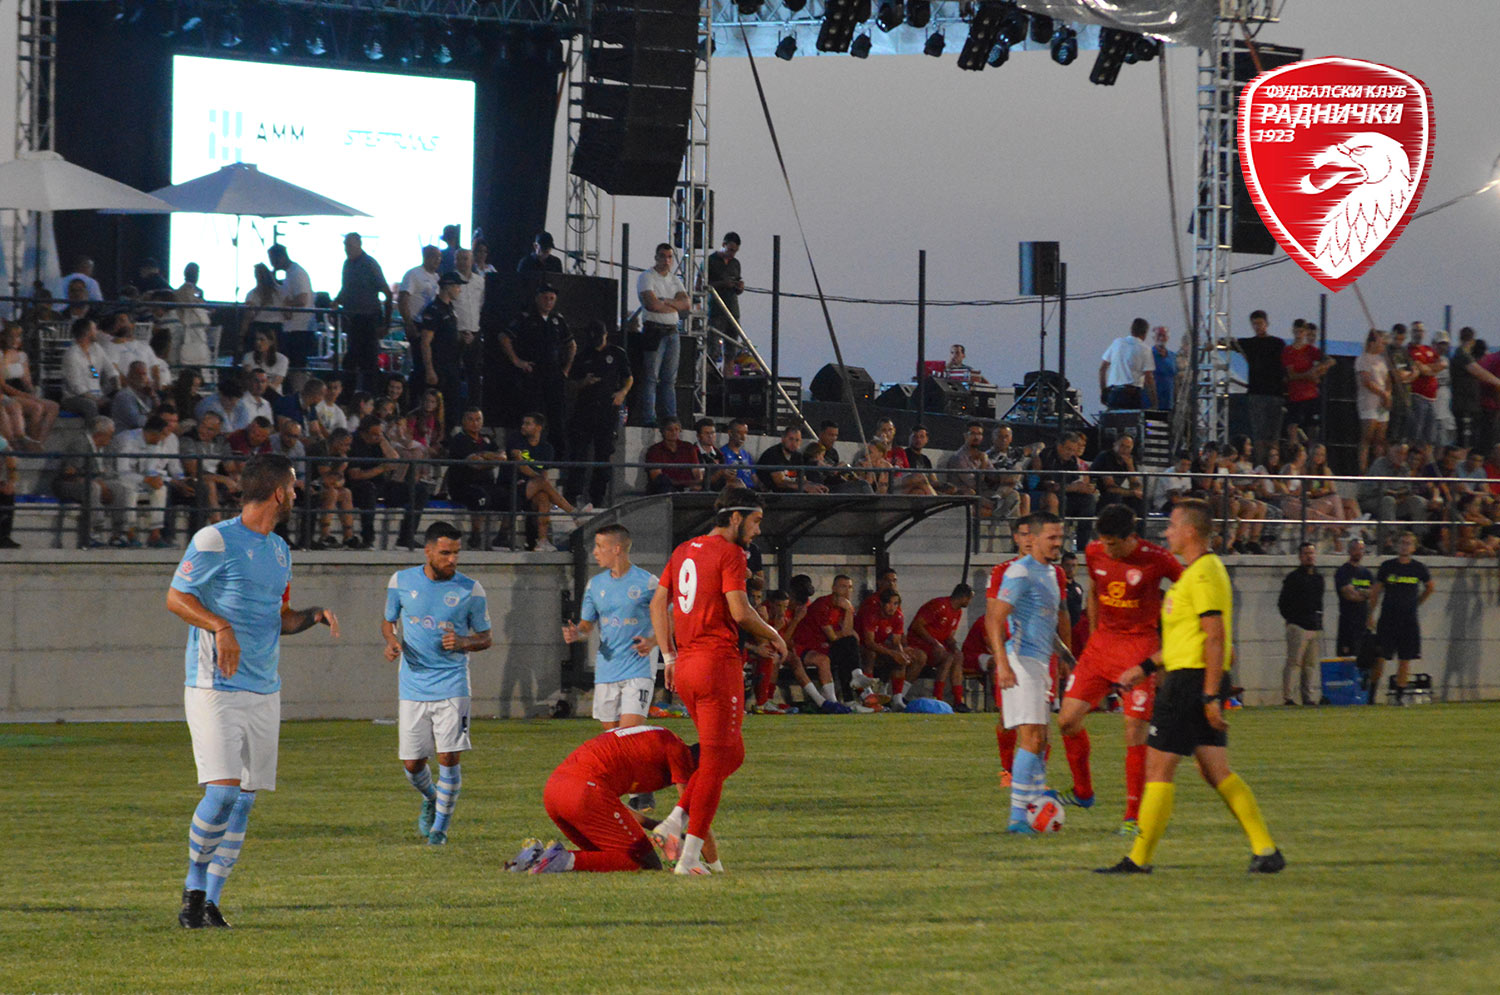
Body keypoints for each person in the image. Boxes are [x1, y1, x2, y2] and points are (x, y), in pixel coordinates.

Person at [167, 454, 341, 928]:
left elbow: (277, 618)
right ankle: (192, 889)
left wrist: (311, 615)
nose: (299, 493)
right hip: (214, 685)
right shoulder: (214, 538)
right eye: (294, 485)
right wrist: (220, 626)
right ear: (280, 491)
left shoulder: (281, 550)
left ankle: (213, 902)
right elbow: (176, 597)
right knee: (221, 794)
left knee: (244, 799)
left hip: (265, 690)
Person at [1096, 498, 1282, 875]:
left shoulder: (1204, 573)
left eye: (1172, 526)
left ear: (1190, 532)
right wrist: (1145, 666)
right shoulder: (1195, 573)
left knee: (1158, 769)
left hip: (1190, 682)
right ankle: (1266, 850)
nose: (1166, 533)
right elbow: (1189, 638)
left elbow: (1215, 637)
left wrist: (1210, 694)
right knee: (1215, 771)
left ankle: (1138, 859)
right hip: (1192, 675)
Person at [648, 486, 787, 874]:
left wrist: (669, 655)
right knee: (715, 760)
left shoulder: (682, 550)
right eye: (756, 521)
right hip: (716, 665)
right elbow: (740, 611)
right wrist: (773, 634)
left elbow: (659, 603)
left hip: (688, 666)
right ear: (737, 516)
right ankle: (687, 855)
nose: (758, 530)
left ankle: (675, 823)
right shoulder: (730, 554)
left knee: (731, 754)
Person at [1054, 505, 1182, 834]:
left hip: (1139, 648)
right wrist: (1096, 634)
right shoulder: (1095, 552)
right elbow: (1095, 592)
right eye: (1104, 541)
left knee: (1133, 733)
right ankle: (1083, 792)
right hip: (1102, 647)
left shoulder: (1157, 558)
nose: (1106, 548)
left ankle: (1132, 817)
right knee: (1067, 721)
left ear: (1131, 536)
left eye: (1113, 543)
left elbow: (1187, 590)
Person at [381, 521, 492, 846]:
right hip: (413, 686)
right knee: (412, 764)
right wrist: (391, 642)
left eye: (456, 553)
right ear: (428, 551)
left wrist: (463, 642)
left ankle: (440, 832)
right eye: (445, 553)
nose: (452, 559)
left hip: (452, 685)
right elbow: (388, 623)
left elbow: (486, 638)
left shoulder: (471, 590)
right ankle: (431, 798)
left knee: (448, 757)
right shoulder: (401, 582)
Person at [509, 726, 707, 874]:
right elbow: (696, 812)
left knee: (606, 856)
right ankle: (563, 859)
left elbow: (611, 805)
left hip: (555, 789)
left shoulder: (661, 739)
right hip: (584, 791)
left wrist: (655, 825)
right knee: (642, 861)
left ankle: (536, 857)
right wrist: (708, 861)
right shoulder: (680, 755)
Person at [985, 511, 1071, 833]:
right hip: (1021, 663)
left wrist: (1068, 658)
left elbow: (1047, 627)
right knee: (1031, 739)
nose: (1057, 543)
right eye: (1052, 537)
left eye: (1060, 537)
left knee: (1041, 738)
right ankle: (1018, 818)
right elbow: (995, 618)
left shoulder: (1051, 572)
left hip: (1040, 664)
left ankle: (1036, 804)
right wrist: (1004, 664)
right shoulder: (1020, 572)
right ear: (1032, 539)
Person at [565, 524, 659, 733]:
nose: (595, 552)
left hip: (639, 668)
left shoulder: (648, 582)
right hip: (607, 670)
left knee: (630, 736)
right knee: (612, 739)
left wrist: (653, 641)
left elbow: (671, 616)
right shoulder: (595, 585)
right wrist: (576, 633)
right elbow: (586, 626)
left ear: (617, 549)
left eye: (599, 546)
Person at [564, 320, 630, 510]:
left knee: (604, 455)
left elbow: (629, 378)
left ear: (605, 334)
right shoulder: (583, 355)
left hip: (607, 412)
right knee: (579, 454)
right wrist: (584, 382)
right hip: (584, 411)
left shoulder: (617, 353)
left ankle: (597, 497)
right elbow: (571, 384)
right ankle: (573, 494)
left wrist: (622, 393)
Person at [501, 284, 573, 450]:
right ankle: (527, 453)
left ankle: (556, 457)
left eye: (552, 299)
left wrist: (566, 369)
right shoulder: (525, 318)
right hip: (532, 375)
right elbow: (504, 337)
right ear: (537, 298)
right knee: (531, 416)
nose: (548, 302)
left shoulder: (557, 320)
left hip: (554, 375)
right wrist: (517, 361)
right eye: (545, 298)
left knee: (557, 417)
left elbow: (571, 344)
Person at [1365, 531, 1434, 704]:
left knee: (1405, 659)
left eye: (1409, 543)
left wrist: (1417, 602)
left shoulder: (1418, 568)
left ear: (1414, 547)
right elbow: (1376, 591)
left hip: (1408, 620)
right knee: (1380, 656)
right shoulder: (1387, 566)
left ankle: (1400, 696)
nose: (1405, 546)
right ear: (1397, 546)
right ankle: (1371, 694)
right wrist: (1370, 614)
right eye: (1402, 543)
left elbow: (1430, 587)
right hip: (1388, 618)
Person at [636, 242, 690, 427]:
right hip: (654, 331)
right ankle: (649, 419)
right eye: (663, 256)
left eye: (669, 257)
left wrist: (665, 301)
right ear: (656, 257)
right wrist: (674, 304)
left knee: (669, 379)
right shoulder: (646, 277)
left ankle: (670, 418)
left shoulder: (675, 280)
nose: (666, 261)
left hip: (672, 332)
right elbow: (651, 304)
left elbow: (686, 305)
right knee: (651, 377)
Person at [507, 412, 575, 552]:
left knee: (544, 498)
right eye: (523, 423)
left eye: (528, 423)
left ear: (538, 428)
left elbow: (544, 473)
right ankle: (573, 512)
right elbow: (521, 466)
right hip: (515, 486)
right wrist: (538, 478)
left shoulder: (546, 448)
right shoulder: (516, 440)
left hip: (533, 489)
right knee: (542, 482)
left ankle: (542, 541)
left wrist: (541, 480)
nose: (523, 426)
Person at [789, 574, 857, 713]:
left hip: (818, 646)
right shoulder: (820, 605)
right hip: (796, 647)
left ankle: (849, 698)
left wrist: (848, 611)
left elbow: (847, 633)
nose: (847, 590)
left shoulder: (841, 607)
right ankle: (828, 702)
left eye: (849, 587)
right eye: (843, 586)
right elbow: (833, 636)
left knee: (849, 646)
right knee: (810, 660)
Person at [335, 232, 393, 393]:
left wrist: (385, 323)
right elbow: (346, 289)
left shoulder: (369, 264)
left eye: (350, 246)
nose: (347, 249)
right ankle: (350, 395)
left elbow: (386, 292)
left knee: (366, 361)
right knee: (352, 360)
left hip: (368, 318)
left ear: (359, 245)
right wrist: (336, 301)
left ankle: (368, 396)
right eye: (346, 246)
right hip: (354, 318)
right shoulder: (348, 264)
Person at [907, 585, 975, 712]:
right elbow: (916, 626)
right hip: (920, 644)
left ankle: (958, 701)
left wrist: (954, 646)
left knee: (958, 656)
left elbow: (949, 636)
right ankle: (938, 697)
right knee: (948, 657)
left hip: (936, 648)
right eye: (969, 599)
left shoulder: (958, 612)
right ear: (963, 597)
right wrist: (935, 643)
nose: (969, 602)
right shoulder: (938, 605)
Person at [412, 271, 466, 427]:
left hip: (452, 365)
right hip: (438, 366)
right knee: (435, 408)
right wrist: (429, 369)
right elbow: (425, 342)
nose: (459, 290)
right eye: (456, 286)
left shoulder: (450, 308)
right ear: (447, 286)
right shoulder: (433, 310)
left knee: (452, 407)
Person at [1233, 310, 1286, 464]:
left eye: (1260, 323)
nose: (1257, 327)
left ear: (1266, 324)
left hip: (1275, 393)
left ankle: (1272, 467)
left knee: (1274, 436)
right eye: (1254, 324)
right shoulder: (1249, 343)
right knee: (1259, 436)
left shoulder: (1277, 343)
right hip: (1257, 393)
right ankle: (1261, 466)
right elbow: (1231, 343)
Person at [1278, 542, 1325, 706]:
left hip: (1314, 626)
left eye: (1312, 553)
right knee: (1294, 663)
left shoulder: (1318, 578)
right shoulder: (1293, 578)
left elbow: (1319, 603)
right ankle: (1288, 697)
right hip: (1298, 625)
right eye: (1306, 553)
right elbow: (1283, 603)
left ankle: (1308, 696)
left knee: (1310, 665)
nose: (1309, 556)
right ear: (1300, 556)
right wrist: (1291, 619)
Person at [1, 322, 58, 445]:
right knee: (36, 407)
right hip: (10, 391)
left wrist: (32, 391)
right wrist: (26, 396)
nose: (18, 340)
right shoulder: (2, 356)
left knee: (53, 406)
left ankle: (38, 442)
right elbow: (3, 384)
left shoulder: (22, 355)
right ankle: (30, 443)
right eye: (14, 336)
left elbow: (27, 380)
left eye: (19, 336)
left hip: (22, 391)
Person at [1282, 321, 1336, 443]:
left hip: (1311, 395)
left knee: (1313, 429)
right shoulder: (1288, 351)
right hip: (1296, 395)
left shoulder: (1310, 350)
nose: (1299, 334)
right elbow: (1291, 374)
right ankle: (1295, 453)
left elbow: (1331, 361)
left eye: (1301, 332)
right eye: (1297, 331)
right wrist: (1308, 375)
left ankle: (1311, 456)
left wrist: (1318, 369)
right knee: (1293, 427)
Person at [267, 244, 315, 370]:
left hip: (299, 330)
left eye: (272, 260)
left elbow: (302, 299)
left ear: (280, 257)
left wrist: (286, 304)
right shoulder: (291, 273)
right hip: (293, 328)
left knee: (296, 367)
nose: (272, 264)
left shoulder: (297, 273)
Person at [1098, 317, 1157, 410]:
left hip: (1114, 393)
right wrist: (1154, 401)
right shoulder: (1145, 349)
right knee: (1131, 422)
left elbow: (1102, 369)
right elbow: (1149, 377)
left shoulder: (1117, 343)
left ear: (1131, 330)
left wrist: (1104, 391)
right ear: (1145, 333)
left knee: (1113, 422)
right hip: (1132, 395)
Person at [1355, 329, 1392, 471]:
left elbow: (1388, 380)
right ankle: (1363, 471)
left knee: (1380, 439)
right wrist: (1383, 394)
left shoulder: (1382, 360)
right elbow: (1366, 381)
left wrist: (1388, 394)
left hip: (1382, 403)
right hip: (1369, 402)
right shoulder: (1363, 359)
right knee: (1367, 437)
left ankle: (1378, 470)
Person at [705, 232, 744, 368]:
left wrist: (739, 287)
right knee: (713, 351)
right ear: (723, 245)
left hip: (733, 312)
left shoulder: (735, 263)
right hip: (716, 311)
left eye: (735, 251)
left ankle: (728, 382)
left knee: (731, 352)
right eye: (730, 250)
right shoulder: (710, 261)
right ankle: (710, 379)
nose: (732, 254)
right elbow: (701, 286)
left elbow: (737, 284)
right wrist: (722, 284)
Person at [1333, 539, 1375, 658]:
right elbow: (1349, 595)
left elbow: (1374, 593)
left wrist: (1358, 591)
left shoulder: (1367, 573)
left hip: (1363, 623)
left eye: (1361, 549)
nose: (1359, 552)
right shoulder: (1343, 571)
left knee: (1364, 658)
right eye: (1356, 549)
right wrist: (1365, 593)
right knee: (1346, 658)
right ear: (1350, 551)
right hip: (1347, 623)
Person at [398, 246, 442, 348]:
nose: (437, 260)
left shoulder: (437, 277)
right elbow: (402, 300)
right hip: (417, 323)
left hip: (432, 324)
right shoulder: (413, 274)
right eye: (434, 256)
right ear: (425, 257)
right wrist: (409, 323)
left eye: (439, 257)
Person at [644, 418, 701, 494]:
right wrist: (682, 483)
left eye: (676, 429)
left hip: (687, 488)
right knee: (662, 481)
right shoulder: (655, 450)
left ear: (680, 431)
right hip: (665, 489)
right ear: (662, 431)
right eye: (669, 430)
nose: (673, 432)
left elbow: (697, 472)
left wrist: (697, 483)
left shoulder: (688, 447)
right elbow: (656, 477)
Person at [241, 328, 289, 398]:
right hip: (252, 394)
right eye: (256, 339)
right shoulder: (248, 357)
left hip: (272, 395)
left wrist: (254, 374)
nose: (258, 342)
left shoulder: (282, 359)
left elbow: (275, 385)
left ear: (271, 342)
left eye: (262, 340)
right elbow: (246, 383)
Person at [718, 418, 757, 490]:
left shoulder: (746, 455)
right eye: (739, 433)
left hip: (750, 491)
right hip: (735, 492)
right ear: (730, 433)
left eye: (745, 433)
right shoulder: (722, 453)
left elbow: (754, 477)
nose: (743, 437)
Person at [1150, 325, 1177, 413]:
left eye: (1163, 335)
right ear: (1154, 337)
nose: (1161, 338)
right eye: (1159, 335)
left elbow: (1174, 377)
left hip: (1168, 402)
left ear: (1167, 338)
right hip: (1153, 402)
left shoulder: (1172, 356)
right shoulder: (1149, 354)